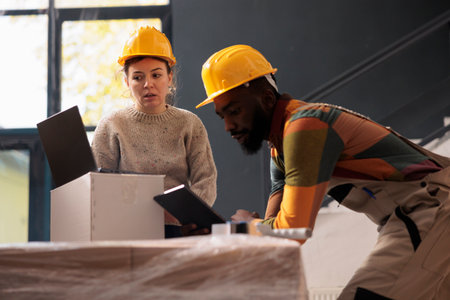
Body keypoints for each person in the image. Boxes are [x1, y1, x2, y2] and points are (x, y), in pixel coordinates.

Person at [196, 44, 450, 300]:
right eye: (222, 117)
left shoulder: (305, 127)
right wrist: (224, 230)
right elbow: (277, 233)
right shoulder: (280, 146)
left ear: (267, 99)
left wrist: (248, 226)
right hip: (416, 217)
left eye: (235, 111)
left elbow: (292, 230)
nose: (229, 126)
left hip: (432, 211)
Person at [92, 26, 217, 238]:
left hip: (181, 230)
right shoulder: (112, 125)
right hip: (127, 231)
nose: (148, 84)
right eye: (138, 77)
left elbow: (206, 181)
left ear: (170, 78)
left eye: (156, 75)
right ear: (127, 82)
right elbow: (97, 185)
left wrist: (182, 216)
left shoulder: (190, 124)